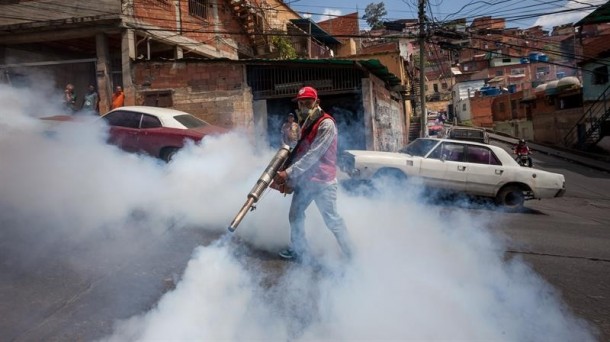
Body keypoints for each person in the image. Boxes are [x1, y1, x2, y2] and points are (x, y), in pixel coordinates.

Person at [274, 86, 353, 261]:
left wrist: (288, 173)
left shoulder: (326, 123)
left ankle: (351, 255)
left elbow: (314, 155)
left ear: (317, 102)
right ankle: (299, 249)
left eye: (308, 102)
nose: (303, 106)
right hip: (306, 181)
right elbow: (301, 149)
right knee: (295, 215)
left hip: (323, 182)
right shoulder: (306, 121)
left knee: (332, 220)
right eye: (301, 103)